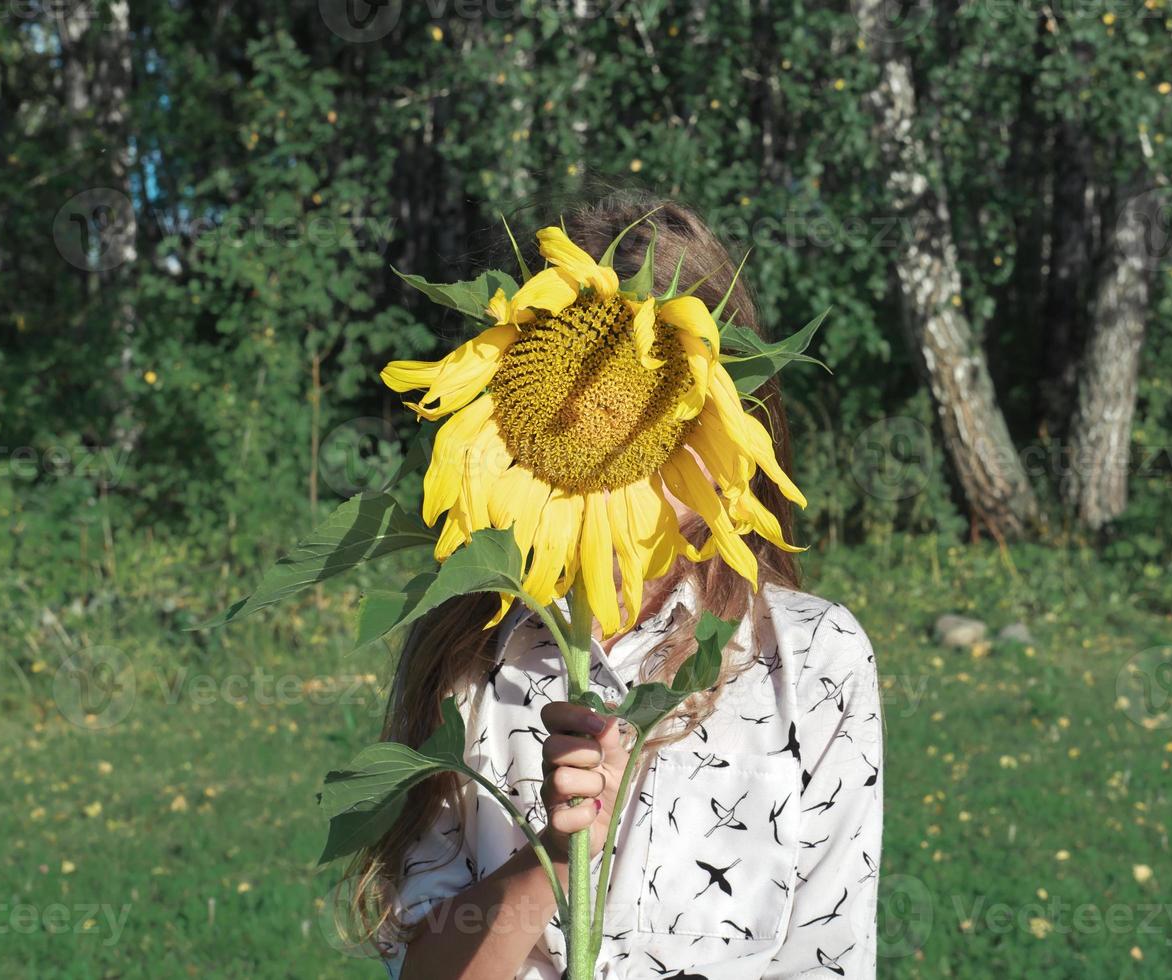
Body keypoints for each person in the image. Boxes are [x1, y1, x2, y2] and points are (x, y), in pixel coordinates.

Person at [347, 196, 884, 979]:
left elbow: (829, 957)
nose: (603, 421)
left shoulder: (809, 661)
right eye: (574, 395)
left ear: (732, 411)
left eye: (646, 393)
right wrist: (556, 867)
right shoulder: (469, 650)